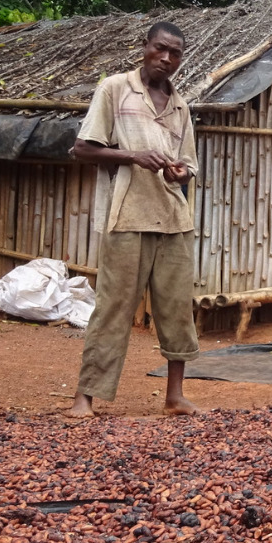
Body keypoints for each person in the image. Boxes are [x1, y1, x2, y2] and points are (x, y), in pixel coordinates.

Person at [66, 21, 200, 418]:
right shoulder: (114, 89)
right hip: (126, 216)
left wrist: (181, 173)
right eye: (160, 49)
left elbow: (189, 163)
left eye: (175, 53)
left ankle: (174, 397)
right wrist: (133, 155)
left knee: (176, 310)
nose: (166, 58)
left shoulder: (180, 105)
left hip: (174, 218)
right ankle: (84, 398)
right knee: (112, 308)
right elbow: (82, 149)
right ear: (144, 46)